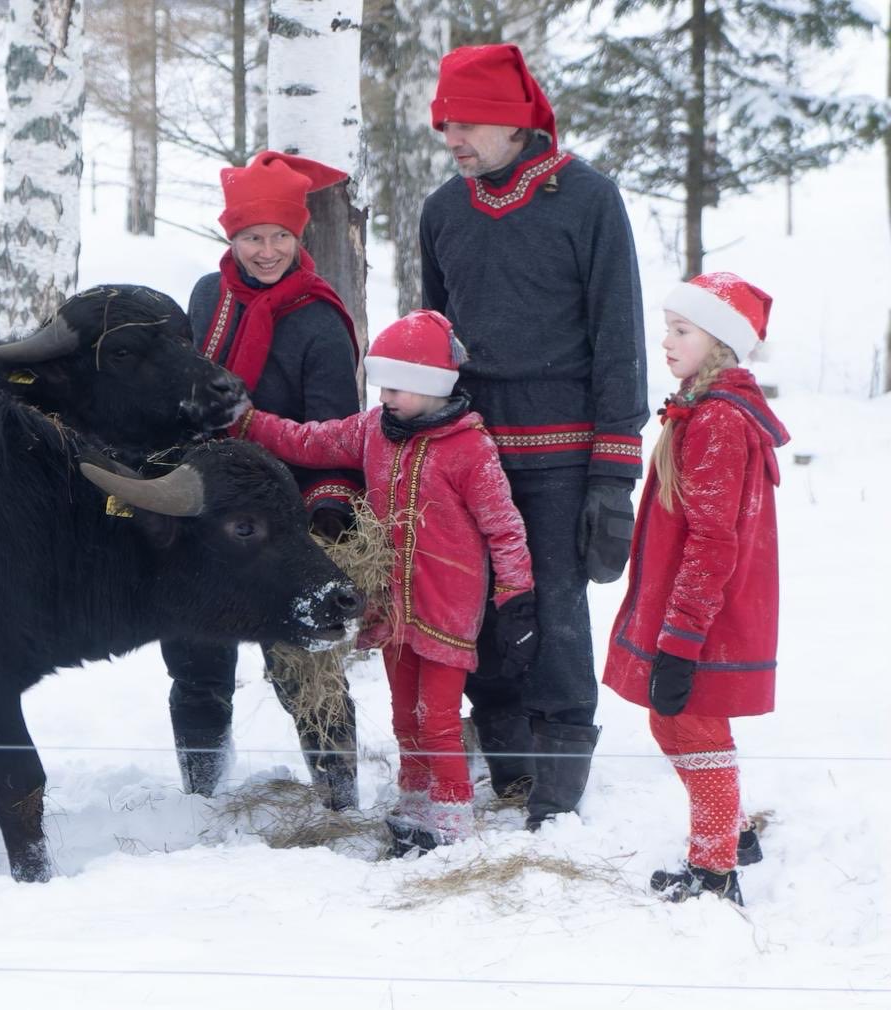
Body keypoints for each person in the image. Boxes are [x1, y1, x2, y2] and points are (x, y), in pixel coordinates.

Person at [420, 43, 649, 828]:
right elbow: (435, 340)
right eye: (443, 124)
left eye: (465, 123)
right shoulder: (442, 211)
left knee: (553, 612)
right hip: (468, 453)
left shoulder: (588, 199)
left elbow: (620, 338)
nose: (451, 138)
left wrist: (614, 475)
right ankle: (509, 757)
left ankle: (559, 770)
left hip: (562, 454)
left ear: (514, 122)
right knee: (477, 606)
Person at [230, 309, 538, 852]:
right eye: (383, 386)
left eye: (398, 387)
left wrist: (516, 597)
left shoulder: (469, 448)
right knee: (404, 716)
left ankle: (453, 820)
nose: (385, 396)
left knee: (437, 718)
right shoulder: (374, 430)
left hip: (446, 608)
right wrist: (250, 422)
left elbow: (504, 528)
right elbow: (310, 440)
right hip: (393, 605)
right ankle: (414, 803)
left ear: (433, 386)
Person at [167, 150, 364, 810]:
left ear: (299, 235)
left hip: (287, 518)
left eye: (281, 235)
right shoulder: (208, 296)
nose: (268, 250)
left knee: (300, 666)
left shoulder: (318, 321)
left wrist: (327, 510)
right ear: (231, 236)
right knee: (196, 661)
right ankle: (202, 795)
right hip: (207, 511)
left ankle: (338, 797)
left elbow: (335, 432)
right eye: (253, 236)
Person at [603, 272, 790, 905]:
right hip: (692, 603)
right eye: (668, 329)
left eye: (681, 330)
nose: (666, 341)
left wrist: (681, 638)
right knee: (672, 723)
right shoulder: (703, 409)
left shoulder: (717, 421)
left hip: (707, 614)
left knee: (694, 730)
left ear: (719, 343)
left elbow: (712, 542)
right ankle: (735, 834)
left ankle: (715, 872)